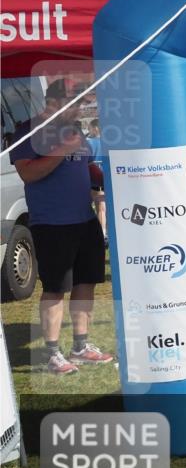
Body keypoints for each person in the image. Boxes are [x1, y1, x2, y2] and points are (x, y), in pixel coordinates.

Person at [10, 80, 114, 374]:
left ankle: (80, 347)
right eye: (75, 103)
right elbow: (28, 173)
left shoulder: (75, 131)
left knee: (85, 284)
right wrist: (62, 148)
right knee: (55, 289)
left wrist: (110, 179)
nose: (80, 109)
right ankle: (53, 354)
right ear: (54, 102)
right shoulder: (29, 131)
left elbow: (85, 166)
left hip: (85, 220)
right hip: (52, 224)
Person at [85, 118, 107, 244]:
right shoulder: (108, 142)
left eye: (90, 129)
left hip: (94, 180)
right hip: (106, 178)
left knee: (100, 208)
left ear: (96, 129)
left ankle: (101, 234)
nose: (89, 131)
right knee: (103, 208)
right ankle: (103, 233)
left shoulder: (89, 143)